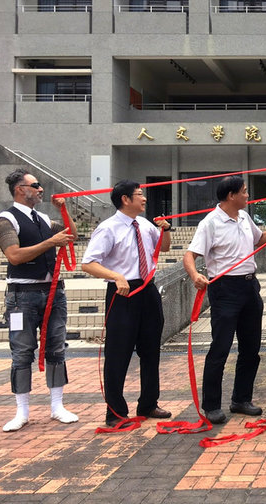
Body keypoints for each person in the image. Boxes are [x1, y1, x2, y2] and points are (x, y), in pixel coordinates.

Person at [183, 176, 266, 424]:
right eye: (244, 192)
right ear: (231, 195)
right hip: (225, 290)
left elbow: (260, 239)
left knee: (251, 348)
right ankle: (212, 405)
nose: (248, 196)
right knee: (221, 347)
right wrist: (195, 275)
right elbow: (190, 254)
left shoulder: (245, 218)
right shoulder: (210, 223)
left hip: (250, 286)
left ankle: (241, 399)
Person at [82, 180, 172, 427]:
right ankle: (116, 413)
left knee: (151, 350)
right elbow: (88, 263)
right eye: (139, 195)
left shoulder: (144, 224)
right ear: (125, 199)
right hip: (123, 293)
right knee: (118, 353)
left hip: (148, 291)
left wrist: (166, 230)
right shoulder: (108, 228)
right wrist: (116, 276)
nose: (144, 199)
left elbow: (163, 248)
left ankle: (149, 404)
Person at [0, 169, 79, 432]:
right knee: (22, 352)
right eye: (36, 185)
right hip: (22, 295)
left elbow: (71, 235)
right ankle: (21, 411)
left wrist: (64, 212)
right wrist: (51, 242)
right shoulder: (6, 220)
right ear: (21, 189)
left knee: (56, 346)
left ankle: (57, 406)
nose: (41, 189)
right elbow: (14, 256)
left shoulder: (43, 217)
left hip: (53, 291)